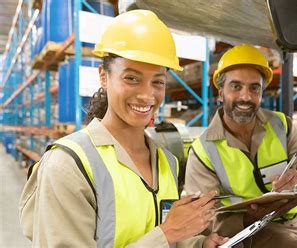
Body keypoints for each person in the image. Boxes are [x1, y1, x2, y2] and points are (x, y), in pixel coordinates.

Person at [19, 10, 227, 248]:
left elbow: (166, 237)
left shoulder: (165, 161)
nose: (147, 95)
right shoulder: (68, 164)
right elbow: (164, 234)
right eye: (131, 78)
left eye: (157, 81)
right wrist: (166, 233)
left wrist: (198, 244)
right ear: (104, 77)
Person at [185, 44, 297, 247]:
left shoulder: (281, 125)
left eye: (254, 88)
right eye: (236, 87)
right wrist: (247, 218)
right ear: (220, 93)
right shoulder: (203, 150)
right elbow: (203, 217)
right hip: (252, 230)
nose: (245, 97)